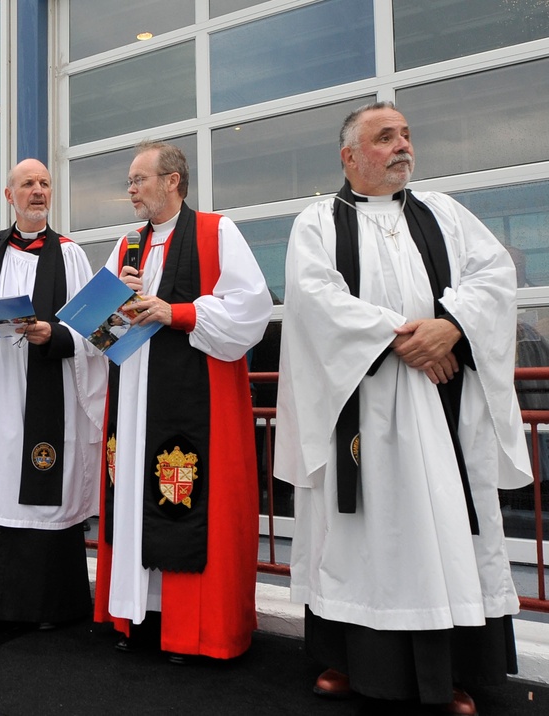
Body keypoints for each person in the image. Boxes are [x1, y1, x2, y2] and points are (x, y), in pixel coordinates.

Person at [275, 102, 533, 715]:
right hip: (361, 406)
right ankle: (348, 659)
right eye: (385, 137)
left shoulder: (443, 213)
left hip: (442, 407)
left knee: (444, 528)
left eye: (406, 135)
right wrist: (405, 338)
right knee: (363, 536)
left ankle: (450, 674)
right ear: (349, 156)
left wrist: (452, 328)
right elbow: (314, 300)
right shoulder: (317, 222)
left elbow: (494, 274)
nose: (401, 146)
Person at [93, 141, 272, 662]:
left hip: (193, 399)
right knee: (132, 501)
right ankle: (138, 617)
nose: (130, 189)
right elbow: (100, 333)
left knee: (181, 499)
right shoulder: (127, 246)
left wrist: (178, 314)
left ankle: (190, 628)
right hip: (134, 401)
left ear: (173, 181)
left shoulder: (218, 232)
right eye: (128, 181)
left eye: (138, 179)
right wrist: (116, 301)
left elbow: (250, 311)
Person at [0, 158, 107, 645]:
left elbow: (95, 328)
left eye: (45, 184)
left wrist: (54, 333)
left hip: (44, 393)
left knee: (41, 494)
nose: (37, 191)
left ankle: (47, 605)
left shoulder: (70, 255)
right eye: (27, 184)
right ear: (9, 195)